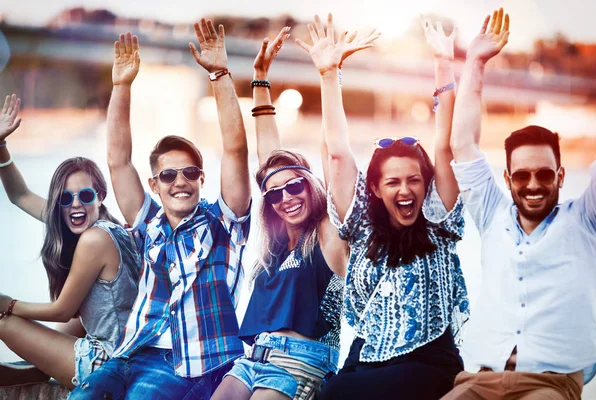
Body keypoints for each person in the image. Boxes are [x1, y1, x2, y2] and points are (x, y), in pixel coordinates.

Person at [69, 19, 252, 400]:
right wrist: (121, 87)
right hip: (130, 352)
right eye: (168, 174)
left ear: (202, 180)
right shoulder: (149, 222)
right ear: (154, 185)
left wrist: (219, 73)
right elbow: (118, 162)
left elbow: (235, 149)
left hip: (190, 363)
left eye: (190, 172)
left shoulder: (223, 222)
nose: (179, 181)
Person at [297, 14, 469, 400]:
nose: (405, 190)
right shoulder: (360, 224)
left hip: (428, 362)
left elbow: (445, 145)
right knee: (334, 391)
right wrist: (329, 74)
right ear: (374, 187)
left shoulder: (439, 223)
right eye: (393, 182)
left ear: (427, 185)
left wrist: (443, 63)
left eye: (414, 180)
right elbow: (338, 154)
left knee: (338, 395)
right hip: (368, 355)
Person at [211, 23, 377, 400]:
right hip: (251, 359)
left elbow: (335, 156)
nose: (285, 197)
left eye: (294, 186)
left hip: (302, 362)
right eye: (274, 195)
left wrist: (329, 74)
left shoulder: (328, 235)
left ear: (311, 184)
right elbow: (267, 157)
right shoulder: (276, 244)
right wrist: (259, 79)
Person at [442, 9, 596, 400]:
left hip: (549, 384)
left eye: (545, 175)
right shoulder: (491, 214)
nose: (534, 185)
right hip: (478, 381)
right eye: (523, 176)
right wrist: (475, 62)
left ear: (561, 176)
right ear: (508, 179)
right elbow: (462, 143)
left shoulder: (586, 219)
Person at [0, 94, 140, 389]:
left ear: (100, 197)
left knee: (3, 321)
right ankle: (38, 367)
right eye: (66, 198)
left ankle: (43, 366)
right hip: (130, 352)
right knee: (77, 317)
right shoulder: (108, 228)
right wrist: (1, 146)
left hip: (110, 364)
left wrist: (8, 305)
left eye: (85, 195)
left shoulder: (94, 238)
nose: (75, 204)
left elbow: (62, 310)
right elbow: (20, 195)